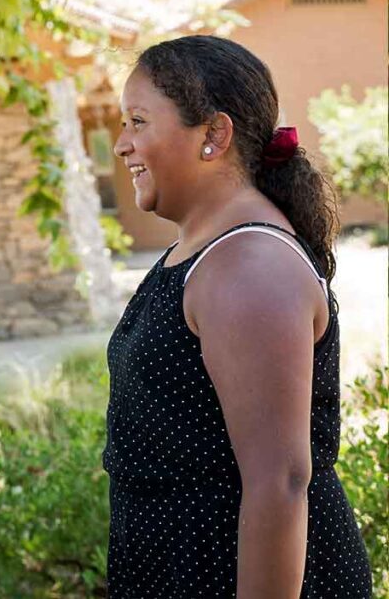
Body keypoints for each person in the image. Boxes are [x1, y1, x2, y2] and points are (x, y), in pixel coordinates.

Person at [103, 35, 372, 598]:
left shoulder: (249, 265)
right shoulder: (206, 250)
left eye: (138, 121)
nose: (122, 145)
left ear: (214, 135)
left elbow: (281, 483)